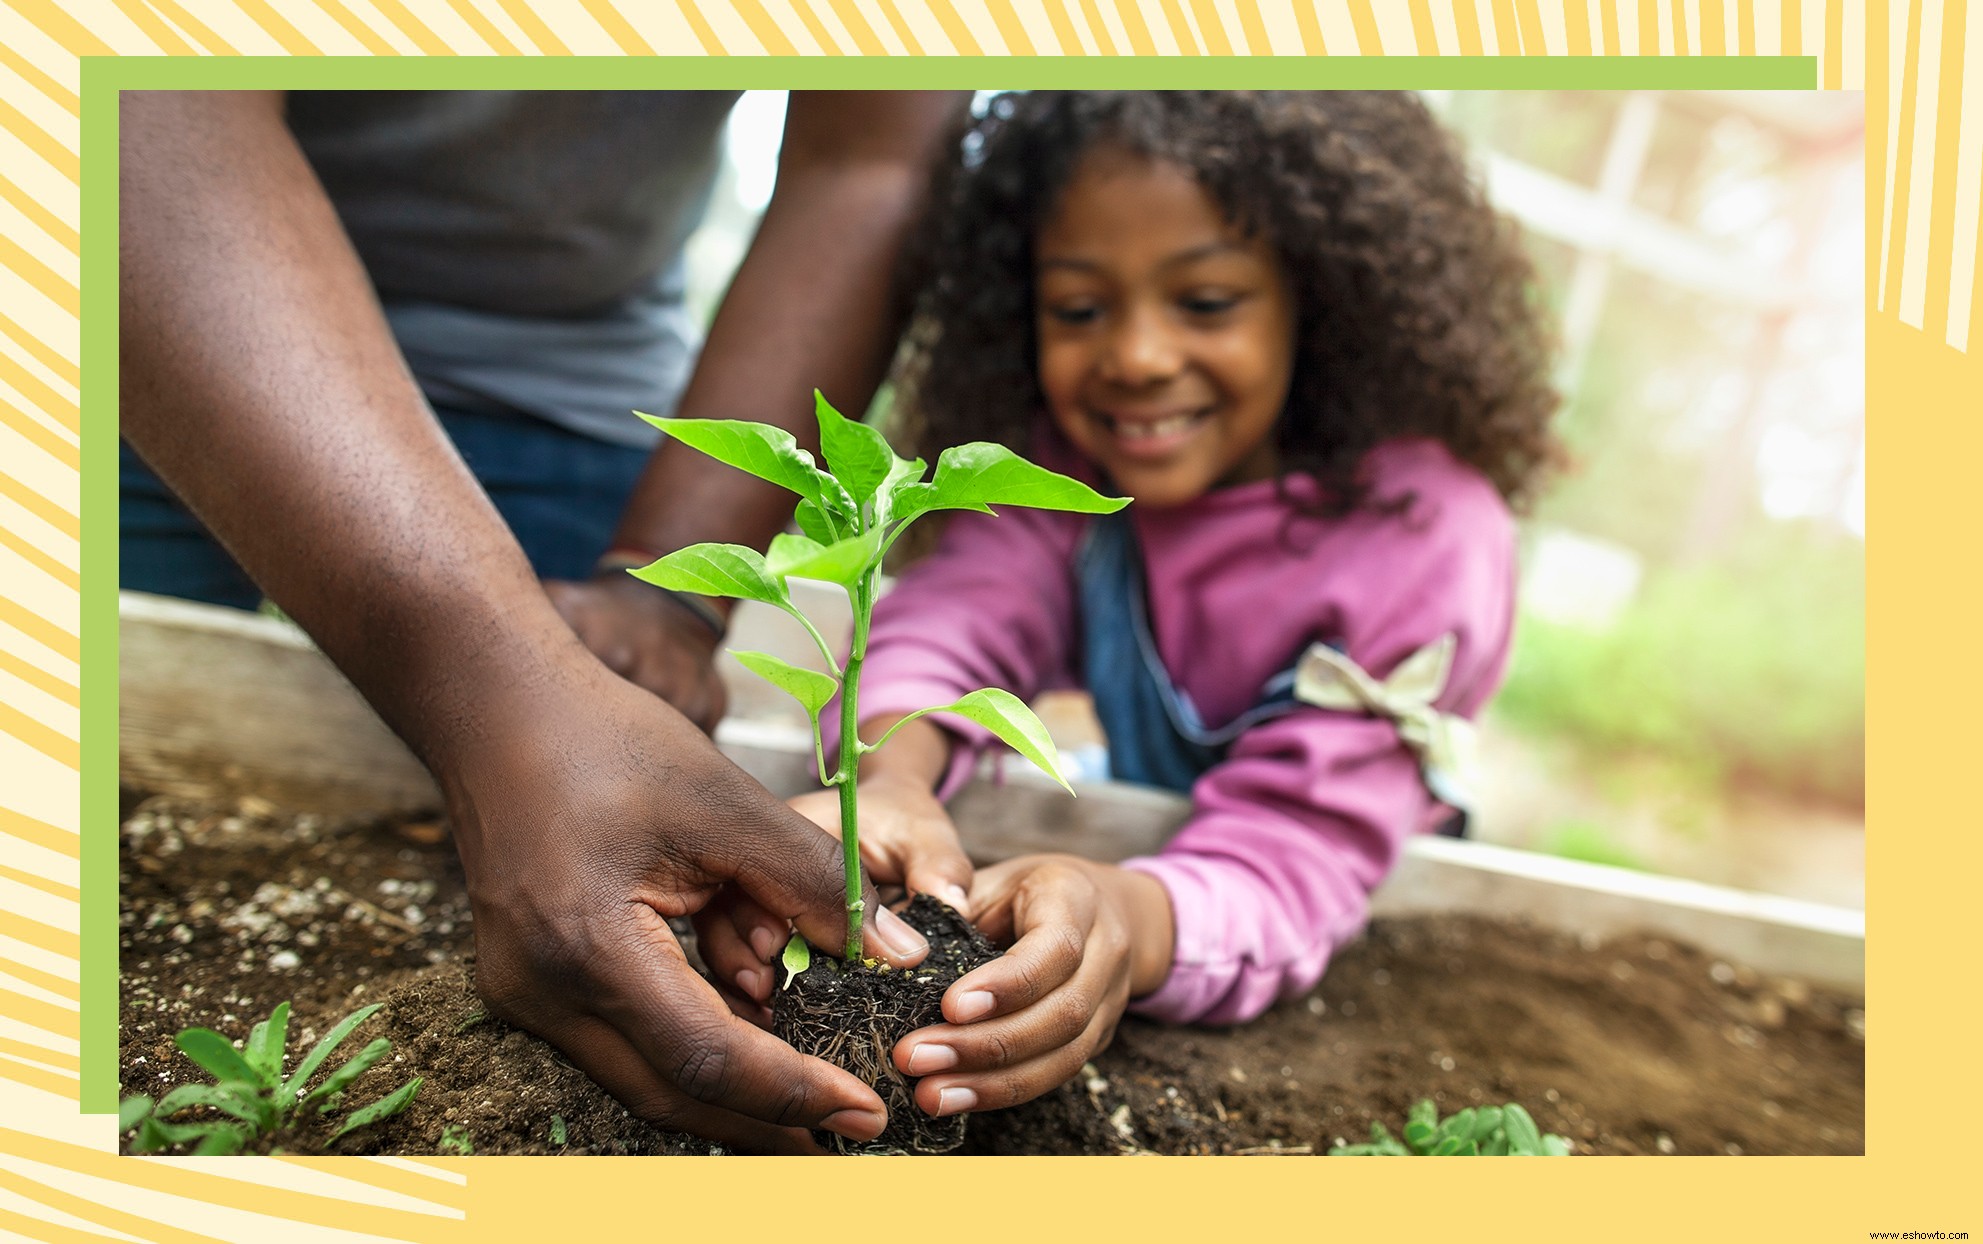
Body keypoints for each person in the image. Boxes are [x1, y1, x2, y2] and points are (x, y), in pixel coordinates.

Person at [117, 90, 966, 1152]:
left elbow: (869, 163)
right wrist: (497, 685)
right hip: (155, 301)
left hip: (567, 383)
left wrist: (666, 592)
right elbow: (131, 95)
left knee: (611, 806)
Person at [695, 91, 1563, 1120]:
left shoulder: (1424, 536)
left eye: (1206, 302)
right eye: (1079, 307)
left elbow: (1298, 851)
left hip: (1341, 863)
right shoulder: (1068, 473)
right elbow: (955, 623)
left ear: (1321, 297)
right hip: (1166, 830)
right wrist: (892, 780)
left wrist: (1129, 916)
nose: (1139, 356)